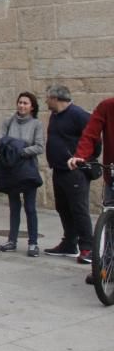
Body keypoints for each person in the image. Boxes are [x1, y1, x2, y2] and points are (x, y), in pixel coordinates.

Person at [43, 85, 93, 263]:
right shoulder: (55, 115)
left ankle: (88, 248)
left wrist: (82, 159)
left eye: (47, 97)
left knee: (79, 209)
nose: (45, 100)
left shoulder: (78, 115)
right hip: (59, 170)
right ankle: (69, 243)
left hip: (75, 172)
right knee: (63, 207)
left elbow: (94, 139)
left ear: (56, 98)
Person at [67, 96, 114, 286]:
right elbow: (90, 134)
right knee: (109, 222)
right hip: (112, 174)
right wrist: (80, 156)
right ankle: (105, 267)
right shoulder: (107, 106)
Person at [0, 92, 45, 257]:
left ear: (32, 107)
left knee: (30, 208)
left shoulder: (36, 124)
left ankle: (33, 243)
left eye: (26, 103)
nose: (22, 106)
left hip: (28, 170)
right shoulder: (8, 122)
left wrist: (19, 151)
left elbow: (39, 147)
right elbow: (0, 143)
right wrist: (12, 151)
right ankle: (12, 240)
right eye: (20, 102)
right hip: (11, 169)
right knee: (14, 207)